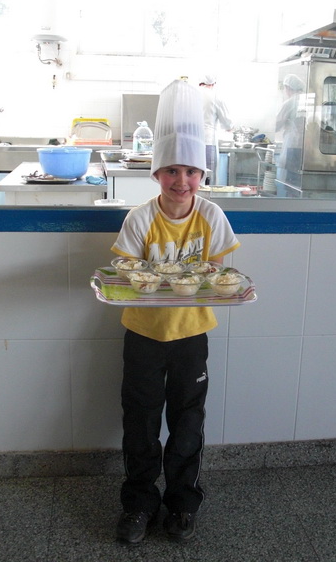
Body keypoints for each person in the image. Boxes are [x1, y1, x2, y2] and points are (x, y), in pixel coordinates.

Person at [111, 79, 240, 545]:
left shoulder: (212, 216)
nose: (181, 181)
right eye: (171, 171)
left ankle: (183, 503)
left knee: (187, 421)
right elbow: (125, 269)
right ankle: (138, 504)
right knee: (140, 420)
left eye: (190, 172)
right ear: (156, 174)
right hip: (143, 333)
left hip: (191, 334)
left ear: (202, 175)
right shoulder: (141, 218)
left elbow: (217, 271)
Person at [199, 74, 234, 184]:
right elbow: (227, 122)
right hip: (208, 141)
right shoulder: (215, 96)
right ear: (213, 84)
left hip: (191, 142)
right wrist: (230, 127)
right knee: (208, 178)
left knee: (194, 176)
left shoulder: (192, 94)